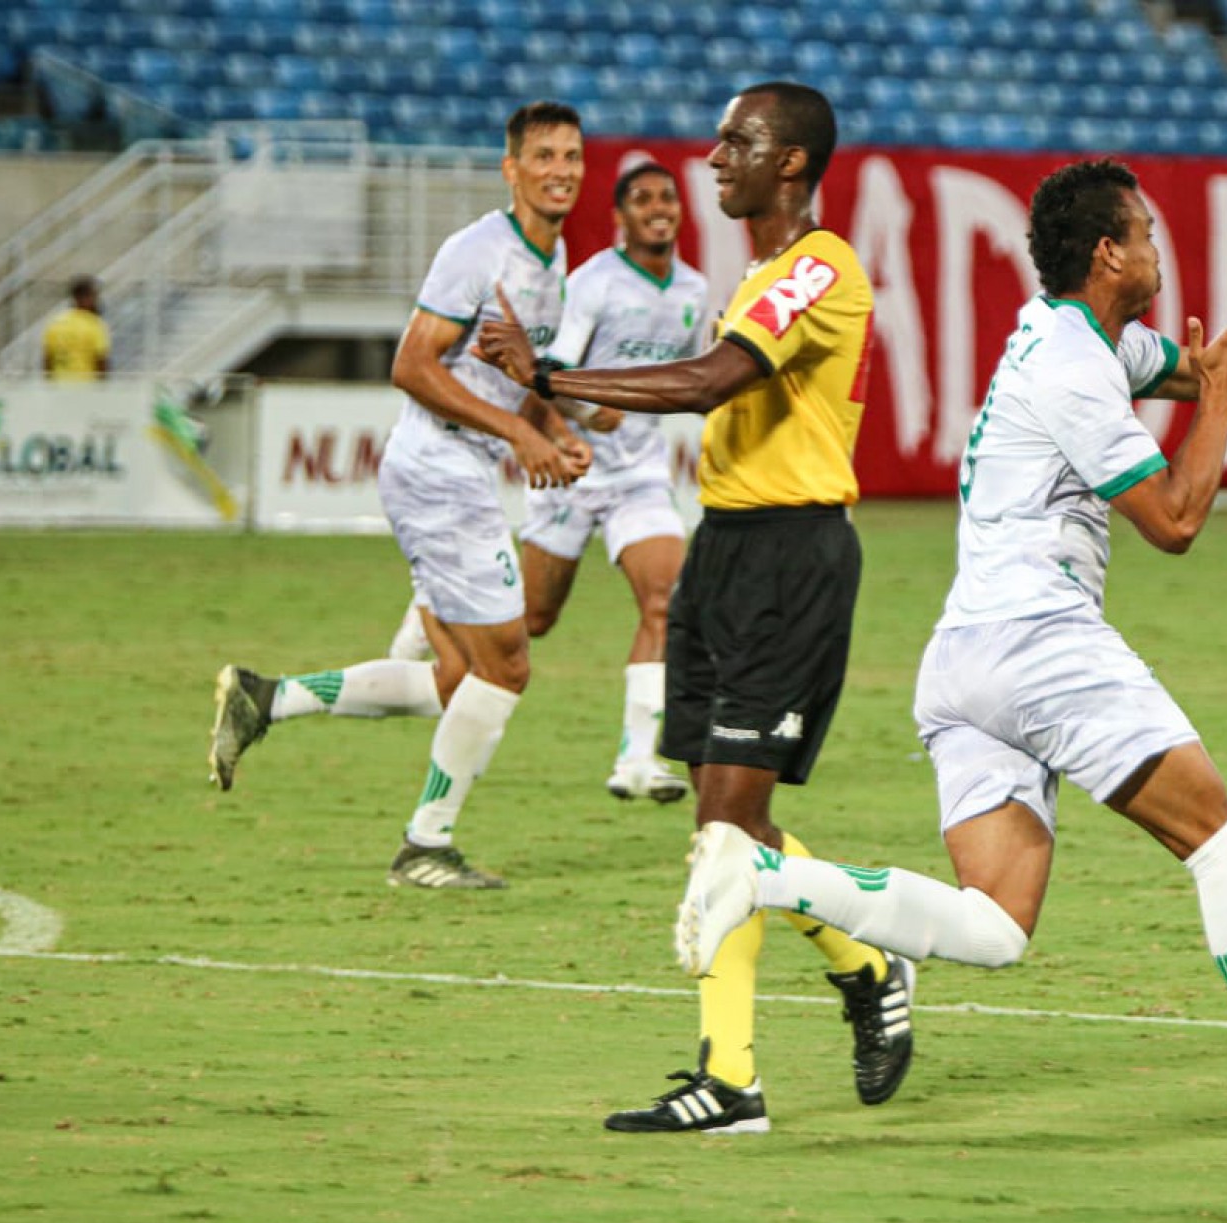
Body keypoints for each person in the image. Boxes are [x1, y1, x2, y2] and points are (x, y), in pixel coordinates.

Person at [676, 158, 1227, 1171]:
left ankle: (765, 873)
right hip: (1041, 642)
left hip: (964, 660)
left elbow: (1223, 369)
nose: (1161, 248)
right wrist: (1215, 402)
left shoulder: (1075, 337)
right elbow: (1175, 519)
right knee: (1224, 842)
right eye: (1148, 232)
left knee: (994, 925)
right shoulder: (1075, 369)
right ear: (1109, 252)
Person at [475, 82, 913, 1134]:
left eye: (737, 141)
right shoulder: (758, 275)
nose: (715, 158)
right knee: (729, 824)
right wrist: (558, 396)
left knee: (726, 827)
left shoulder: (818, 265)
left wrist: (555, 375)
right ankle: (858, 970)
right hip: (725, 546)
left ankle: (737, 1074)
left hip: (791, 558)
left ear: (792, 162)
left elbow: (715, 380)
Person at [206, 101, 592, 891]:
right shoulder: (476, 251)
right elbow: (412, 367)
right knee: (508, 666)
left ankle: (266, 699)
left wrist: (552, 430)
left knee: (457, 679)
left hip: (457, 469)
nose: (561, 170)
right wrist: (518, 437)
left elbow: (511, 382)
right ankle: (425, 844)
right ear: (511, 168)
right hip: (440, 470)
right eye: (544, 156)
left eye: (572, 156)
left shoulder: (554, 261)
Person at [388, 161, 704, 804]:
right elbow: (542, 375)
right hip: (572, 471)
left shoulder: (696, 292)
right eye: (643, 198)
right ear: (620, 217)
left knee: (667, 602)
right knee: (531, 619)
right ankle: (433, 605)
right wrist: (583, 416)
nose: (658, 208)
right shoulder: (592, 284)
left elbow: (694, 380)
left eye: (668, 197)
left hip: (639, 475)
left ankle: (636, 760)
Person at [43, 276, 109, 381]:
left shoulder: (55, 324)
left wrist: (49, 386)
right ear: (82, 298)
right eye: (94, 296)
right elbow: (101, 362)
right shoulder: (94, 325)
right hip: (86, 387)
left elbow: (48, 361)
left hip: (59, 386)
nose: (96, 301)